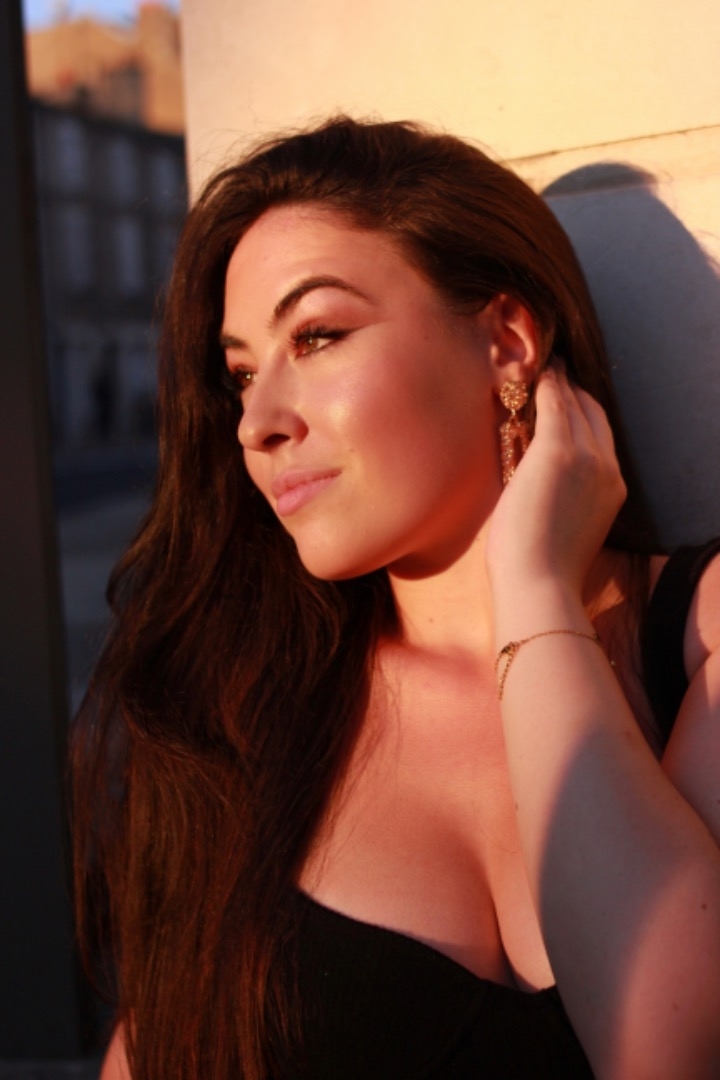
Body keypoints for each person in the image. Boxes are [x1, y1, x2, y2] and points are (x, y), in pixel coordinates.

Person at [73, 117, 720, 1080]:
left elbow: (664, 1049)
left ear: (507, 340)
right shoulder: (239, 709)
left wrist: (533, 585)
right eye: (242, 373)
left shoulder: (702, 634)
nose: (256, 422)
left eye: (318, 336)